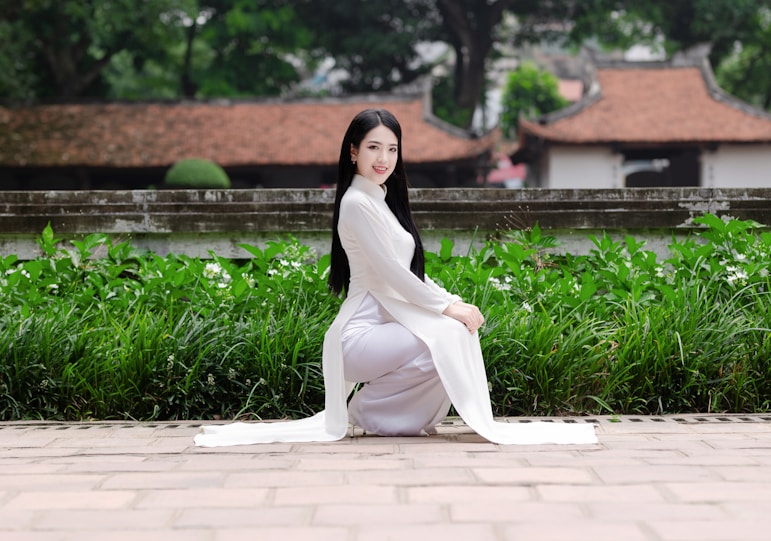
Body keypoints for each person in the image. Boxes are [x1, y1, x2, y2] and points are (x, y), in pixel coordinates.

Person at [194, 109, 596, 447]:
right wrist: (447, 308)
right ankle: (367, 410)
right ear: (353, 151)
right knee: (446, 333)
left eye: (392, 149)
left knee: (454, 334)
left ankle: (384, 414)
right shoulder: (356, 203)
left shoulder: (383, 202)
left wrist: (452, 300)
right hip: (359, 336)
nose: (383, 158)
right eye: (373, 147)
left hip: (388, 330)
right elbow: (389, 273)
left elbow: (409, 272)